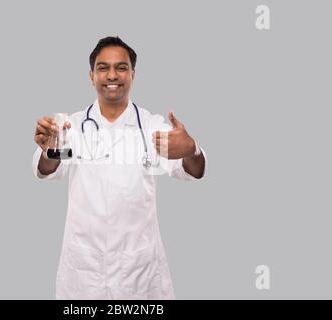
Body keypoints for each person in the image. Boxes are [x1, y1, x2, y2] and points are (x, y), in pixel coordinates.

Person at [33, 36, 206, 299]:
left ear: (133, 74)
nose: (112, 75)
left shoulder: (151, 127)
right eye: (103, 68)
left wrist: (191, 149)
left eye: (121, 67)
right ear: (91, 76)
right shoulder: (72, 126)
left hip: (140, 271)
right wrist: (50, 150)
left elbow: (195, 170)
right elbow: (47, 170)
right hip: (84, 271)